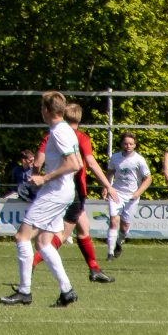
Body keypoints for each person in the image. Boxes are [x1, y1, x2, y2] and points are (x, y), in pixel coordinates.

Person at [0, 93, 82, 307]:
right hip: (61, 191)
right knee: (44, 242)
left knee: (22, 237)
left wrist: (44, 177)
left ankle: (25, 292)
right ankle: (67, 291)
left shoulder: (59, 132)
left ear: (46, 109)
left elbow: (73, 164)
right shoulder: (67, 130)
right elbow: (78, 162)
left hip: (55, 192)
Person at [55, 105, 114, 283]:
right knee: (63, 235)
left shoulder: (55, 135)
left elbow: (40, 158)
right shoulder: (80, 137)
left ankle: (94, 269)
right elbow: (91, 162)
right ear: (80, 119)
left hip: (58, 187)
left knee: (83, 228)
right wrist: (108, 185)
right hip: (74, 190)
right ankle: (32, 264)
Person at [104, 133, 150, 258]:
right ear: (121, 144)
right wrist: (107, 187)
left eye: (131, 144)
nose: (128, 146)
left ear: (135, 145)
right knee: (113, 220)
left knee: (124, 227)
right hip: (116, 193)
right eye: (125, 143)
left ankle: (119, 242)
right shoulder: (115, 158)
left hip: (131, 196)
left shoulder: (139, 160)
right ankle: (110, 252)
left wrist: (137, 193)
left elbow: (148, 179)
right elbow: (110, 173)